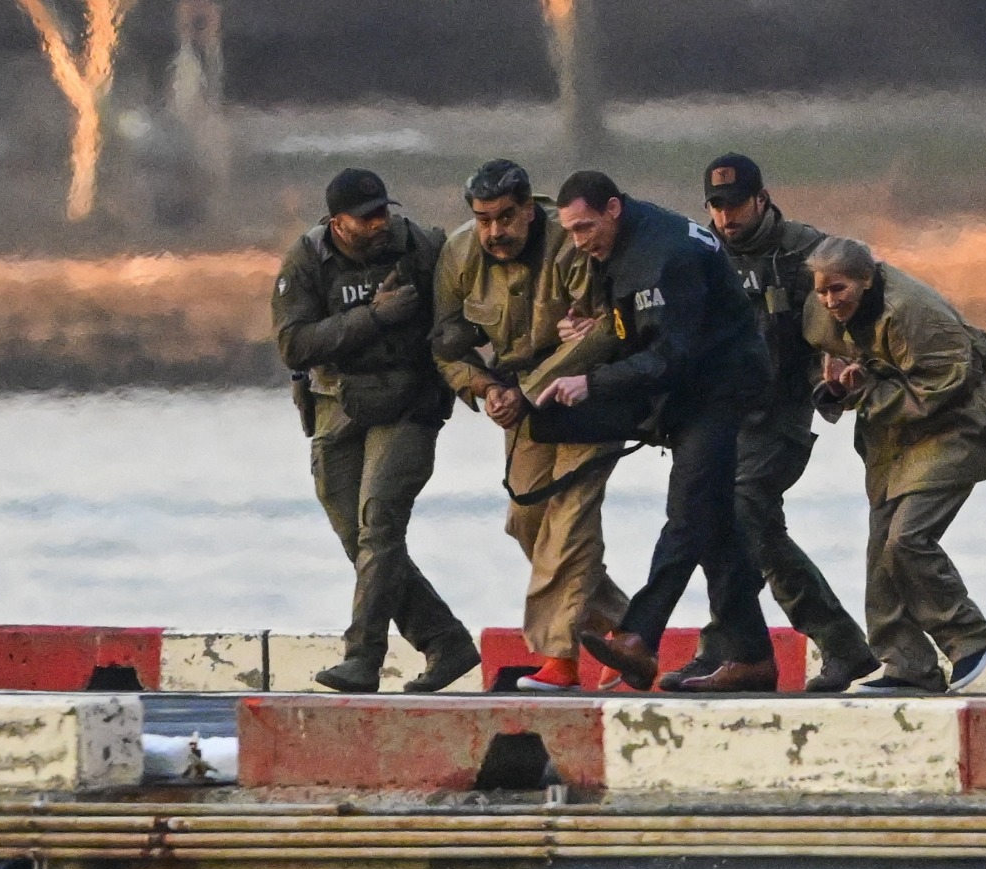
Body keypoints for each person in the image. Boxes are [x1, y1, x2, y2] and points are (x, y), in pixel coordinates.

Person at [534, 171, 778, 693]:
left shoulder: (667, 254)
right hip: (686, 392)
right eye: (570, 231)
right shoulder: (617, 247)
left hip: (721, 386)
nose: (578, 241)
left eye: (584, 227)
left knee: (687, 510)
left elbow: (672, 355)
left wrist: (592, 382)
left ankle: (638, 637)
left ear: (613, 208)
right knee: (713, 524)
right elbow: (634, 330)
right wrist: (589, 333)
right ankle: (752, 656)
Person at [652, 154, 877, 694]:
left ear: (761, 199)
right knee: (741, 530)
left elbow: (846, 320)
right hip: (719, 417)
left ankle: (742, 647)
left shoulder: (804, 253)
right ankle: (822, 646)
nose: (725, 217)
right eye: (716, 206)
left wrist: (839, 371)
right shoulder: (696, 253)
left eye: (735, 204)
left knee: (738, 514)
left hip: (780, 414)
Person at [272, 168, 481, 694]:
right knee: (357, 538)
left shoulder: (423, 247)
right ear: (336, 222)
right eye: (365, 217)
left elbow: (461, 315)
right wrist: (373, 316)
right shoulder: (306, 260)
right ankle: (445, 641)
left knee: (380, 527)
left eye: (383, 211)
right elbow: (294, 345)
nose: (379, 223)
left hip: (408, 403)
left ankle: (363, 658)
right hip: (336, 404)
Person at [430, 159, 631, 692]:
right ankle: (628, 628)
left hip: (588, 395)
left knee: (571, 521)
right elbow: (445, 344)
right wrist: (485, 388)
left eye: (505, 217)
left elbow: (605, 331)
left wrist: (530, 388)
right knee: (528, 522)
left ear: (529, 209)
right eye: (483, 220)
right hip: (519, 404)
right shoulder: (459, 254)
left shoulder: (570, 244)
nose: (495, 231)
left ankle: (559, 661)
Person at [803, 236, 986, 694]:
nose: (830, 301)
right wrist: (833, 387)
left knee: (908, 537)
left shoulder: (915, 312)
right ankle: (907, 664)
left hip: (957, 424)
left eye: (839, 289)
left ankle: (969, 638)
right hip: (892, 434)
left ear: (866, 279)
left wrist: (867, 389)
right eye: (822, 291)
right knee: (881, 548)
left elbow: (946, 385)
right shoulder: (820, 313)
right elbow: (819, 360)